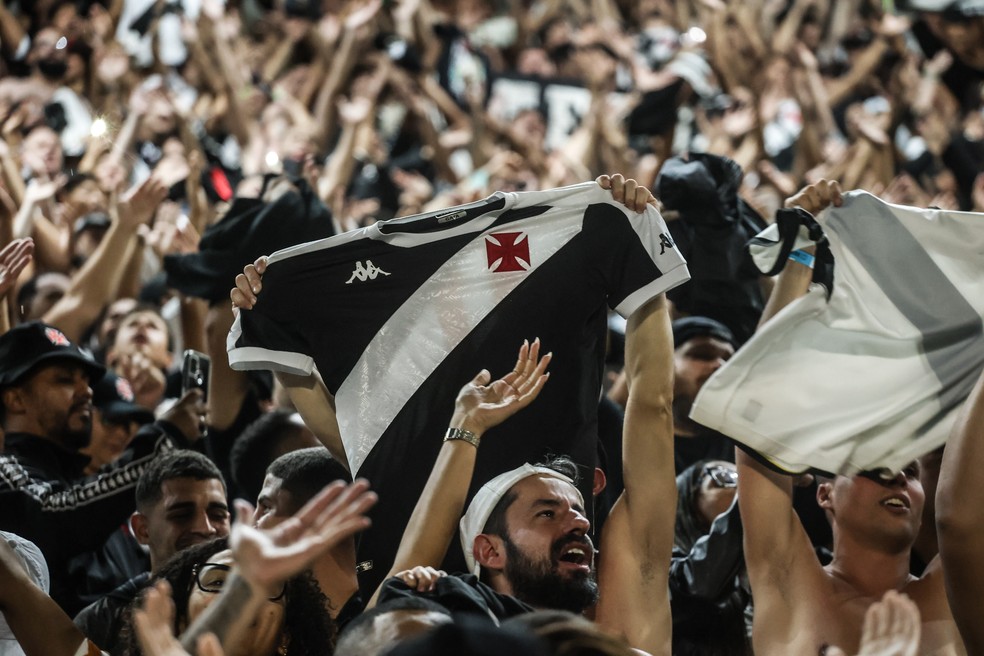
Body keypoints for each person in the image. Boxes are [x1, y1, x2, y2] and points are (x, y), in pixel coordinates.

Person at [736, 180, 965, 655]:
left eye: (909, 472)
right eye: (874, 470)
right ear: (825, 494)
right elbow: (755, 416)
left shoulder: (956, 594)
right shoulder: (790, 584)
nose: (898, 479)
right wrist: (799, 252)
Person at [0, 321, 206, 615]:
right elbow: (56, 517)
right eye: (65, 380)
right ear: (16, 399)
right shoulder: (6, 470)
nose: (86, 392)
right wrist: (163, 436)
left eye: (86, 381)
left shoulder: (88, 490)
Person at [74, 450, 231, 655]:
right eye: (182, 515)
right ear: (142, 529)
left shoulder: (258, 602)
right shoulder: (102, 623)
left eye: (217, 515)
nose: (205, 528)